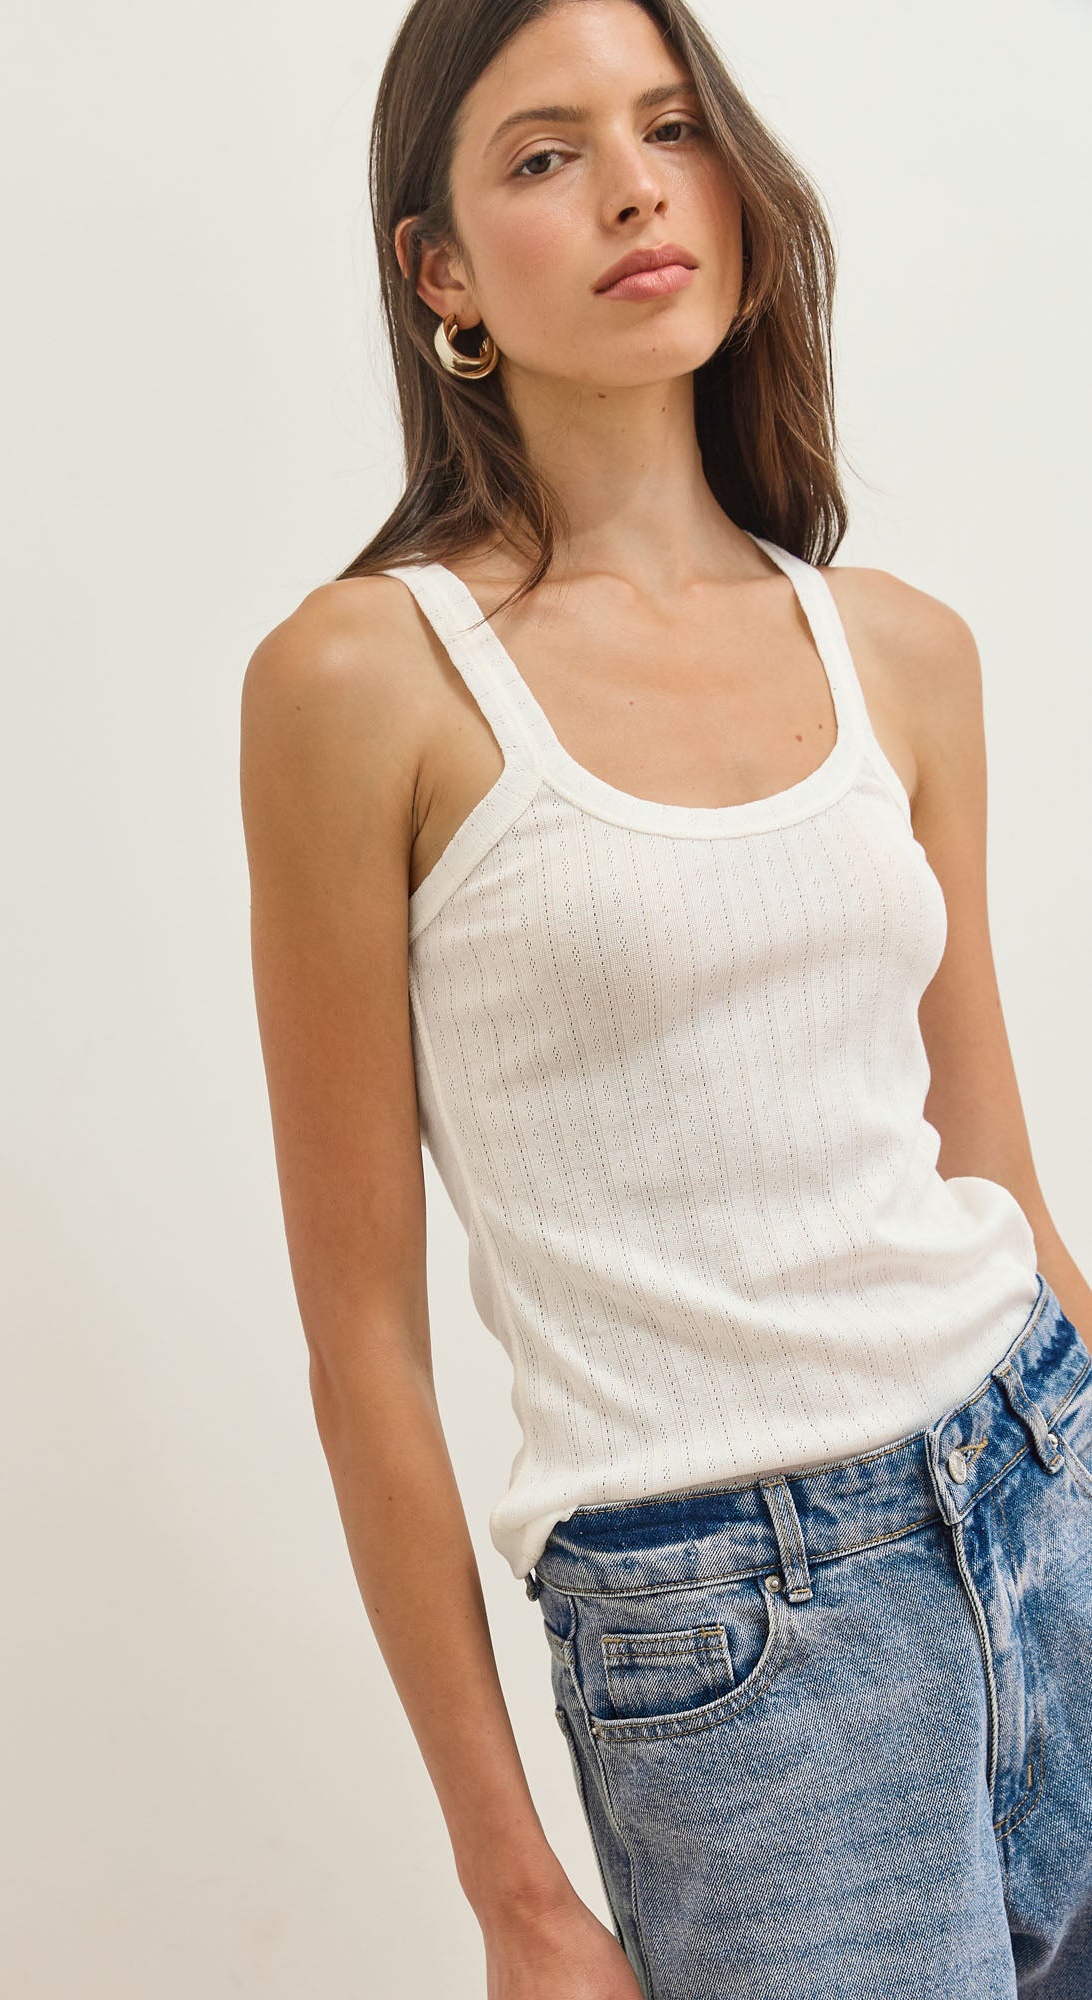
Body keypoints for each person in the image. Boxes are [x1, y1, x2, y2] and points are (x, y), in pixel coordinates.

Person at [239, 1, 1092, 1993]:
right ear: (440, 272)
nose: (634, 187)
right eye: (544, 154)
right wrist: (516, 1892)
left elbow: (992, 1168)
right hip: (746, 1657)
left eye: (672, 126)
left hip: (1044, 1479)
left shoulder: (900, 651)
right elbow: (361, 1341)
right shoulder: (361, 683)